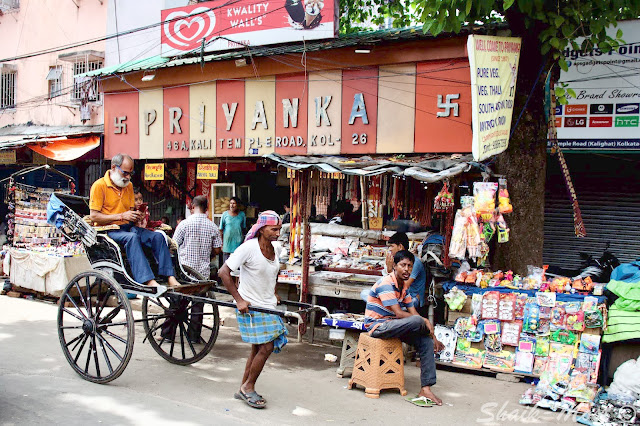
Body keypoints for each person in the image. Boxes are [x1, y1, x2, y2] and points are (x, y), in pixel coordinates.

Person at [218, 211, 286, 409]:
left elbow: (275, 272)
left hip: (268, 304)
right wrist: (238, 300)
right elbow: (223, 272)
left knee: (258, 347)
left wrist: (274, 293)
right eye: (274, 229)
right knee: (267, 347)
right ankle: (249, 387)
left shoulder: (276, 248)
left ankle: (243, 386)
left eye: (279, 229)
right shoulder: (248, 248)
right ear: (262, 229)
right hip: (250, 306)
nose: (278, 233)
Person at [364, 250, 445, 406]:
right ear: (394, 266)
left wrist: (432, 336)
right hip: (378, 327)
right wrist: (425, 321)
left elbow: (413, 313)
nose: (406, 269)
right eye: (403, 265)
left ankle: (426, 388)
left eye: (409, 266)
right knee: (418, 321)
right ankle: (427, 332)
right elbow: (400, 313)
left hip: (395, 326)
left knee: (425, 341)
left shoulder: (404, 289)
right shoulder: (386, 283)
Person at [89, 153, 180, 288]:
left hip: (129, 227)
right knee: (132, 238)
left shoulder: (129, 186)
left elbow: (130, 211)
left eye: (130, 174)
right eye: (125, 173)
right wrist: (121, 216)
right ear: (114, 167)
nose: (127, 177)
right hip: (109, 229)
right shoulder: (99, 186)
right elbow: (94, 216)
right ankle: (148, 280)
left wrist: (138, 215)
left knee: (158, 236)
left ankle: (170, 276)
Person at [173, 195, 222, 279]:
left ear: (192, 207)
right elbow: (217, 250)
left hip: (185, 272)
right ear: (206, 209)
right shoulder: (213, 226)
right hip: (203, 274)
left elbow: (174, 245)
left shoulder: (184, 224)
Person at [385, 232, 428, 315]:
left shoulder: (414, 262)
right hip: (400, 297)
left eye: (392, 246)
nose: (390, 249)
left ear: (400, 246)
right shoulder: (398, 262)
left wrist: (390, 270)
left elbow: (403, 286)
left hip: (412, 299)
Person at [219, 196, 246, 263]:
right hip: (227, 245)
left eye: (234, 203)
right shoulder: (225, 214)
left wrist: (243, 242)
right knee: (226, 265)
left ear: (238, 205)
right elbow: (221, 230)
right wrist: (221, 243)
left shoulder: (242, 215)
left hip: (238, 244)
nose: (232, 205)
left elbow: (244, 229)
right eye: (231, 203)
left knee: (237, 265)